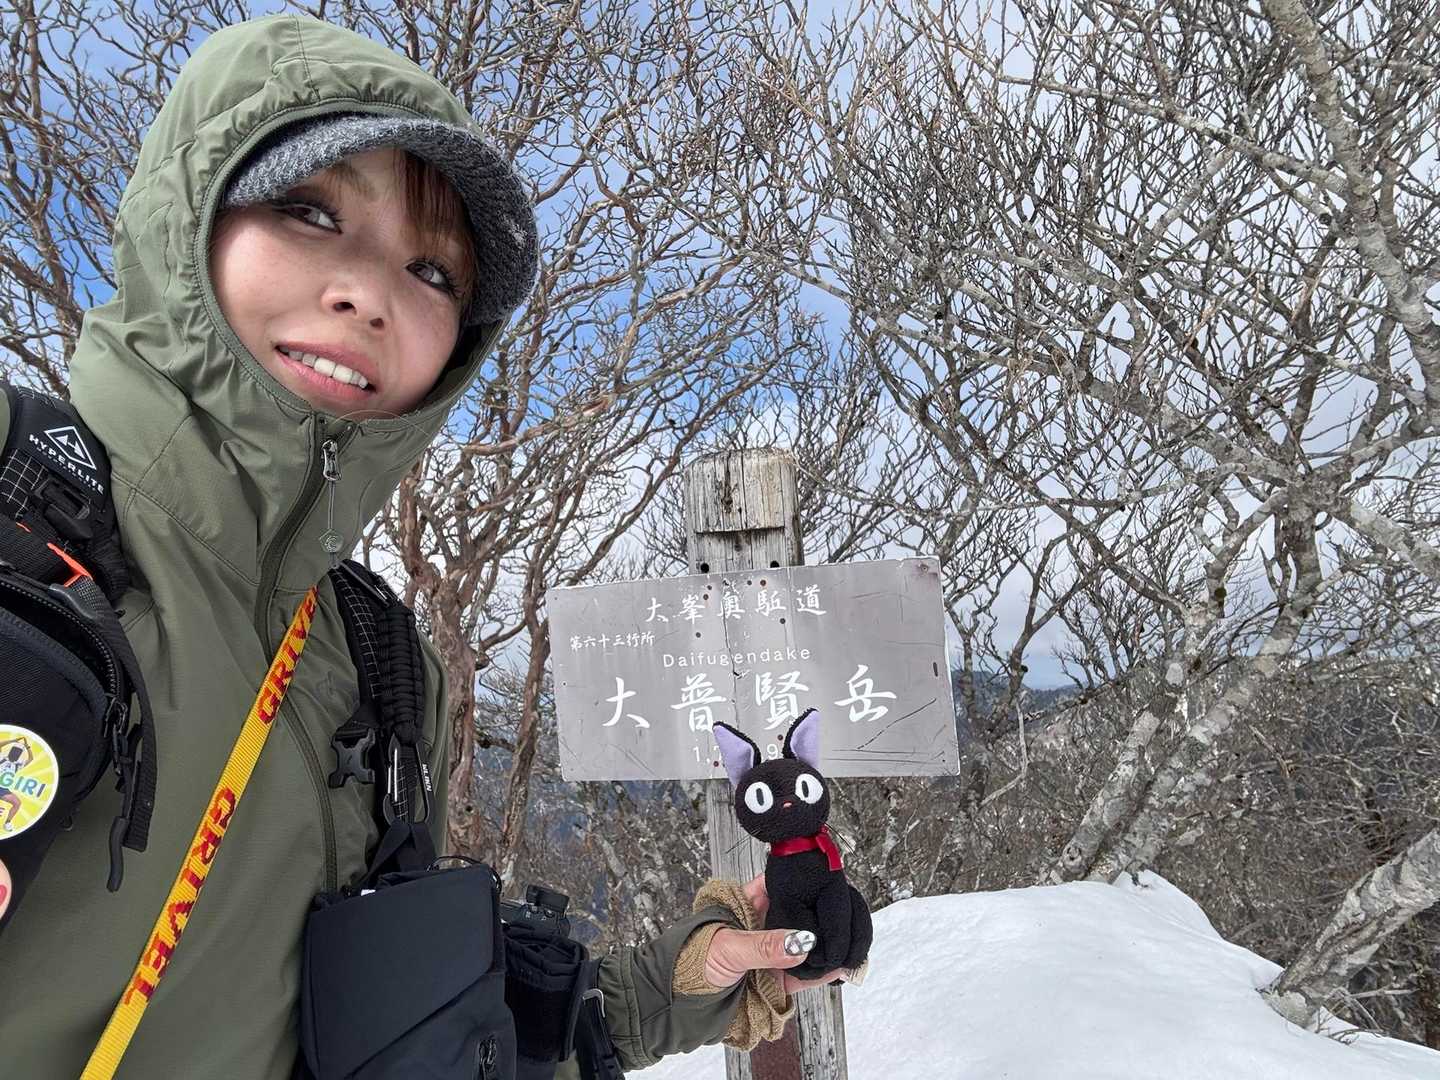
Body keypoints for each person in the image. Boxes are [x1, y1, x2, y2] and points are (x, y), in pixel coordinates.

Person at [0, 14, 842, 1078]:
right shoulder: (19, 508)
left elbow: (418, 1043)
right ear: (187, 217)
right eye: (310, 211)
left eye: (435, 273)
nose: (371, 295)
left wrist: (692, 980)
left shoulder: (379, 666)